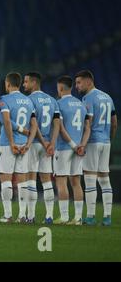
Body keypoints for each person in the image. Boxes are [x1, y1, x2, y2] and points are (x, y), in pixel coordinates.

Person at [75, 70, 117, 226]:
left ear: (88, 81)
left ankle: (91, 216)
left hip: (92, 141)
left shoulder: (88, 98)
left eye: (79, 82)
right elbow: (114, 122)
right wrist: (109, 139)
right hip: (105, 142)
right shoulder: (107, 97)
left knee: (90, 179)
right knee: (105, 180)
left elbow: (88, 123)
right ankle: (107, 217)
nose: (77, 86)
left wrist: (82, 144)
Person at [0, 72, 38, 223]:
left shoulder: (5, 99)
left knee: (5, 178)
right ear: (19, 84)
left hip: (8, 144)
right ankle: (22, 215)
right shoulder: (28, 101)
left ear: (7, 84)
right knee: (22, 180)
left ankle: (7, 216)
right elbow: (34, 125)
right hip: (24, 144)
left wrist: (12, 142)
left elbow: (6, 121)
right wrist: (28, 144)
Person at [22, 72, 61, 224]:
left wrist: (44, 143)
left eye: (26, 82)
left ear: (34, 82)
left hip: (33, 144)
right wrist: (51, 142)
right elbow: (57, 124)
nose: (24, 85)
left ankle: (30, 216)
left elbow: (34, 125)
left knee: (31, 178)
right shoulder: (52, 100)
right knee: (46, 181)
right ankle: (49, 216)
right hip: (48, 145)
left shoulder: (29, 100)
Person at [54, 76, 90, 225]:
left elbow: (60, 128)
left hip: (64, 148)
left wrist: (73, 145)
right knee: (76, 182)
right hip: (79, 148)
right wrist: (82, 145)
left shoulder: (58, 104)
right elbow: (88, 128)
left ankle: (64, 217)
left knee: (61, 181)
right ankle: (78, 218)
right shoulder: (81, 105)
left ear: (61, 88)